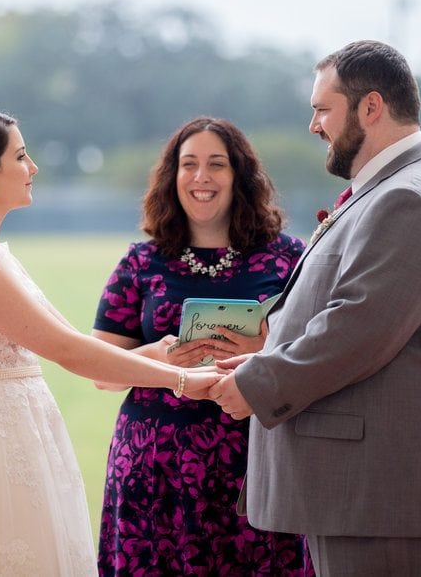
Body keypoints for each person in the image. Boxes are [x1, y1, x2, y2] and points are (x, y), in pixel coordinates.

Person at [0, 107, 219, 577]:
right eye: (20, 156)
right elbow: (67, 352)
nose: (33, 167)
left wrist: (155, 355)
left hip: (20, 432)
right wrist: (181, 379)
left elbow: (74, 345)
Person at [209, 40, 421, 576]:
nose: (314, 125)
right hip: (370, 492)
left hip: (382, 494)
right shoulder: (400, 183)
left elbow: (358, 328)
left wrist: (258, 383)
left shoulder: (407, 196)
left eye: (322, 109)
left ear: (371, 107)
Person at [91, 117, 313, 576]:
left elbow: (322, 350)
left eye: (217, 164)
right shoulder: (140, 261)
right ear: (172, 178)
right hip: (154, 466)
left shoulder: (289, 256)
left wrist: (267, 343)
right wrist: (157, 355)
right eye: (188, 164)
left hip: (255, 461)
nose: (201, 177)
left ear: (240, 176)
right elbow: (102, 372)